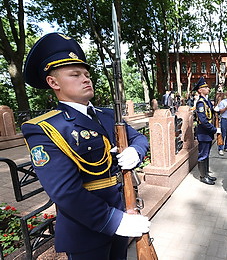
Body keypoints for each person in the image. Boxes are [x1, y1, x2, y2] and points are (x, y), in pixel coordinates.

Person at [21, 32, 151, 259]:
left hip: (123, 213)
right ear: (53, 82)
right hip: (87, 230)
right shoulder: (44, 128)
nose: (86, 79)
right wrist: (115, 221)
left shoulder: (109, 116)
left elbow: (139, 138)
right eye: (75, 74)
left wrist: (135, 150)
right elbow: (65, 191)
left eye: (86, 74)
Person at [193, 77, 217, 185]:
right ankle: (203, 177)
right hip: (203, 133)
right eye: (205, 87)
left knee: (207, 154)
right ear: (200, 90)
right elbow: (203, 120)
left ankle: (206, 173)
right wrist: (213, 129)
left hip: (207, 133)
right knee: (203, 154)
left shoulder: (206, 101)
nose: (208, 89)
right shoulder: (200, 103)